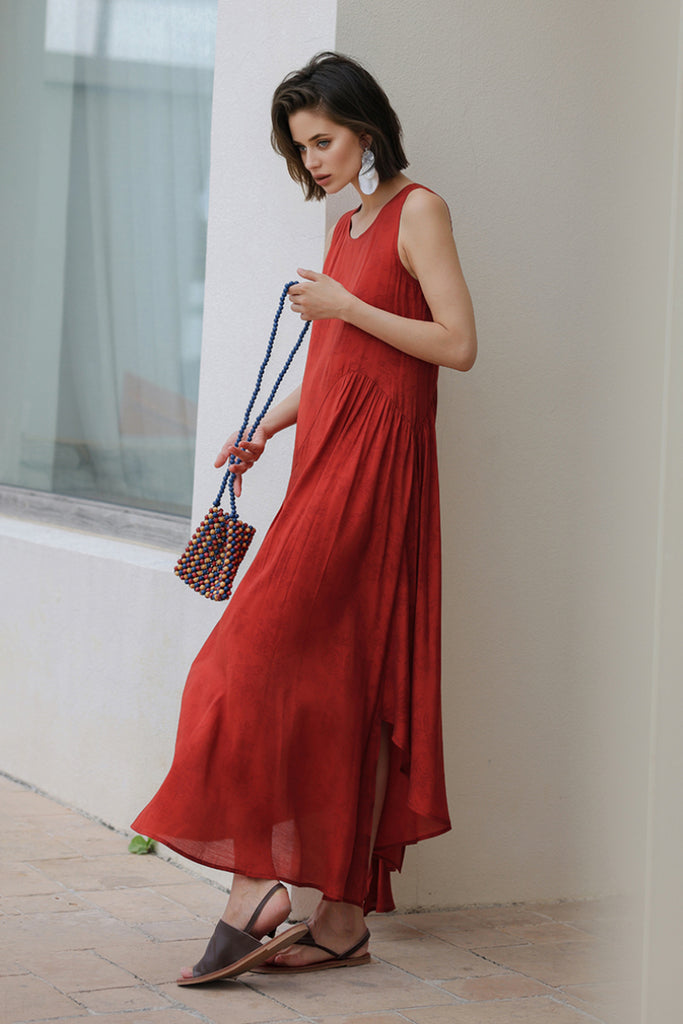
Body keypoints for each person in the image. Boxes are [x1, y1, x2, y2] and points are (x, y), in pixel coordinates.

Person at [132, 50, 477, 985]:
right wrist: (264, 430)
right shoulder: (346, 223)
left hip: (379, 473)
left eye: (323, 139)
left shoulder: (418, 210)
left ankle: (257, 888)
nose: (313, 159)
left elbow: (457, 344)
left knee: (246, 662)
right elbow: (334, 358)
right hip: (324, 461)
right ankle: (341, 921)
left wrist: (347, 303)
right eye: (301, 145)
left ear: (366, 126)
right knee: (322, 677)